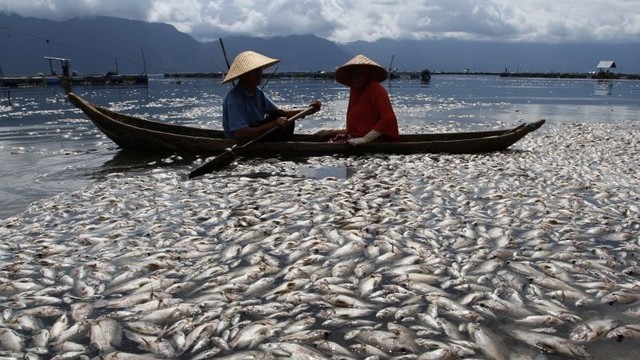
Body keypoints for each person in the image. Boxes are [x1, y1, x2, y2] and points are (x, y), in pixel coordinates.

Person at [222, 51, 321, 142]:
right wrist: (272, 124)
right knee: (279, 118)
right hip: (243, 140)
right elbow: (240, 134)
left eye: (260, 71)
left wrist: (308, 110)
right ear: (243, 76)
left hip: (257, 133)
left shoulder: (257, 92)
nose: (259, 75)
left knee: (282, 117)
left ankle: (283, 147)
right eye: (254, 72)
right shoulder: (234, 99)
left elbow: (279, 112)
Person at [316, 54, 399, 145]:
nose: (356, 77)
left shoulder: (377, 90)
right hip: (357, 137)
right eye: (353, 74)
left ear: (367, 75)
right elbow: (356, 129)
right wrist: (330, 132)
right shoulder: (355, 91)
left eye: (360, 74)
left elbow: (388, 119)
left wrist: (365, 139)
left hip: (376, 139)